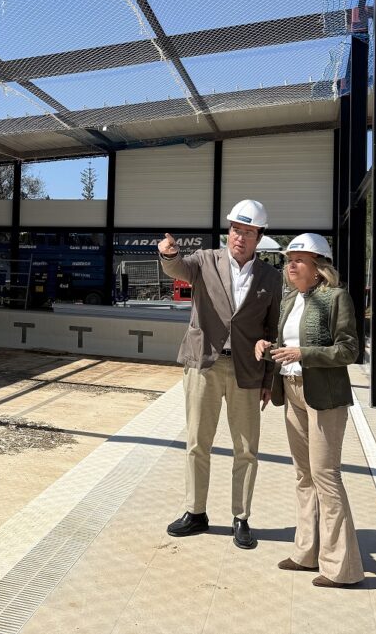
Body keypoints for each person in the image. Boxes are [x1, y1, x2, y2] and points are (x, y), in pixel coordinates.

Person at [158, 200, 282, 549]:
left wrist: (268, 379)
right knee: (198, 442)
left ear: (259, 237)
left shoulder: (271, 278)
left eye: (248, 232)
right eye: (235, 229)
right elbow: (178, 268)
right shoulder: (205, 260)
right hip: (204, 365)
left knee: (247, 448)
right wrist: (169, 254)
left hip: (247, 371)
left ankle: (241, 518)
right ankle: (195, 512)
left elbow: (271, 329)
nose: (239, 237)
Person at [256, 233, 364, 588]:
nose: (291, 265)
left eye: (299, 260)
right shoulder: (291, 299)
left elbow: (349, 350)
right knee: (303, 475)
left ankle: (342, 569)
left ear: (318, 267)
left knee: (326, 476)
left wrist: (304, 354)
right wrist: (267, 346)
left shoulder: (336, 298)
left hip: (324, 396)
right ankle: (306, 553)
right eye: (289, 259)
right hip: (291, 391)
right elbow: (287, 345)